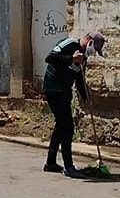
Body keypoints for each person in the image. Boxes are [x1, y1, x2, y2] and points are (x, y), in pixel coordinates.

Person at [42, 32, 106, 179]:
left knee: (61, 125)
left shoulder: (83, 58)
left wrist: (86, 98)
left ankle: (50, 163)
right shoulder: (69, 44)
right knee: (67, 127)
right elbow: (49, 58)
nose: (93, 52)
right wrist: (71, 58)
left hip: (65, 91)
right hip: (53, 88)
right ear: (89, 41)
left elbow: (79, 79)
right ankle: (69, 166)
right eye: (94, 48)